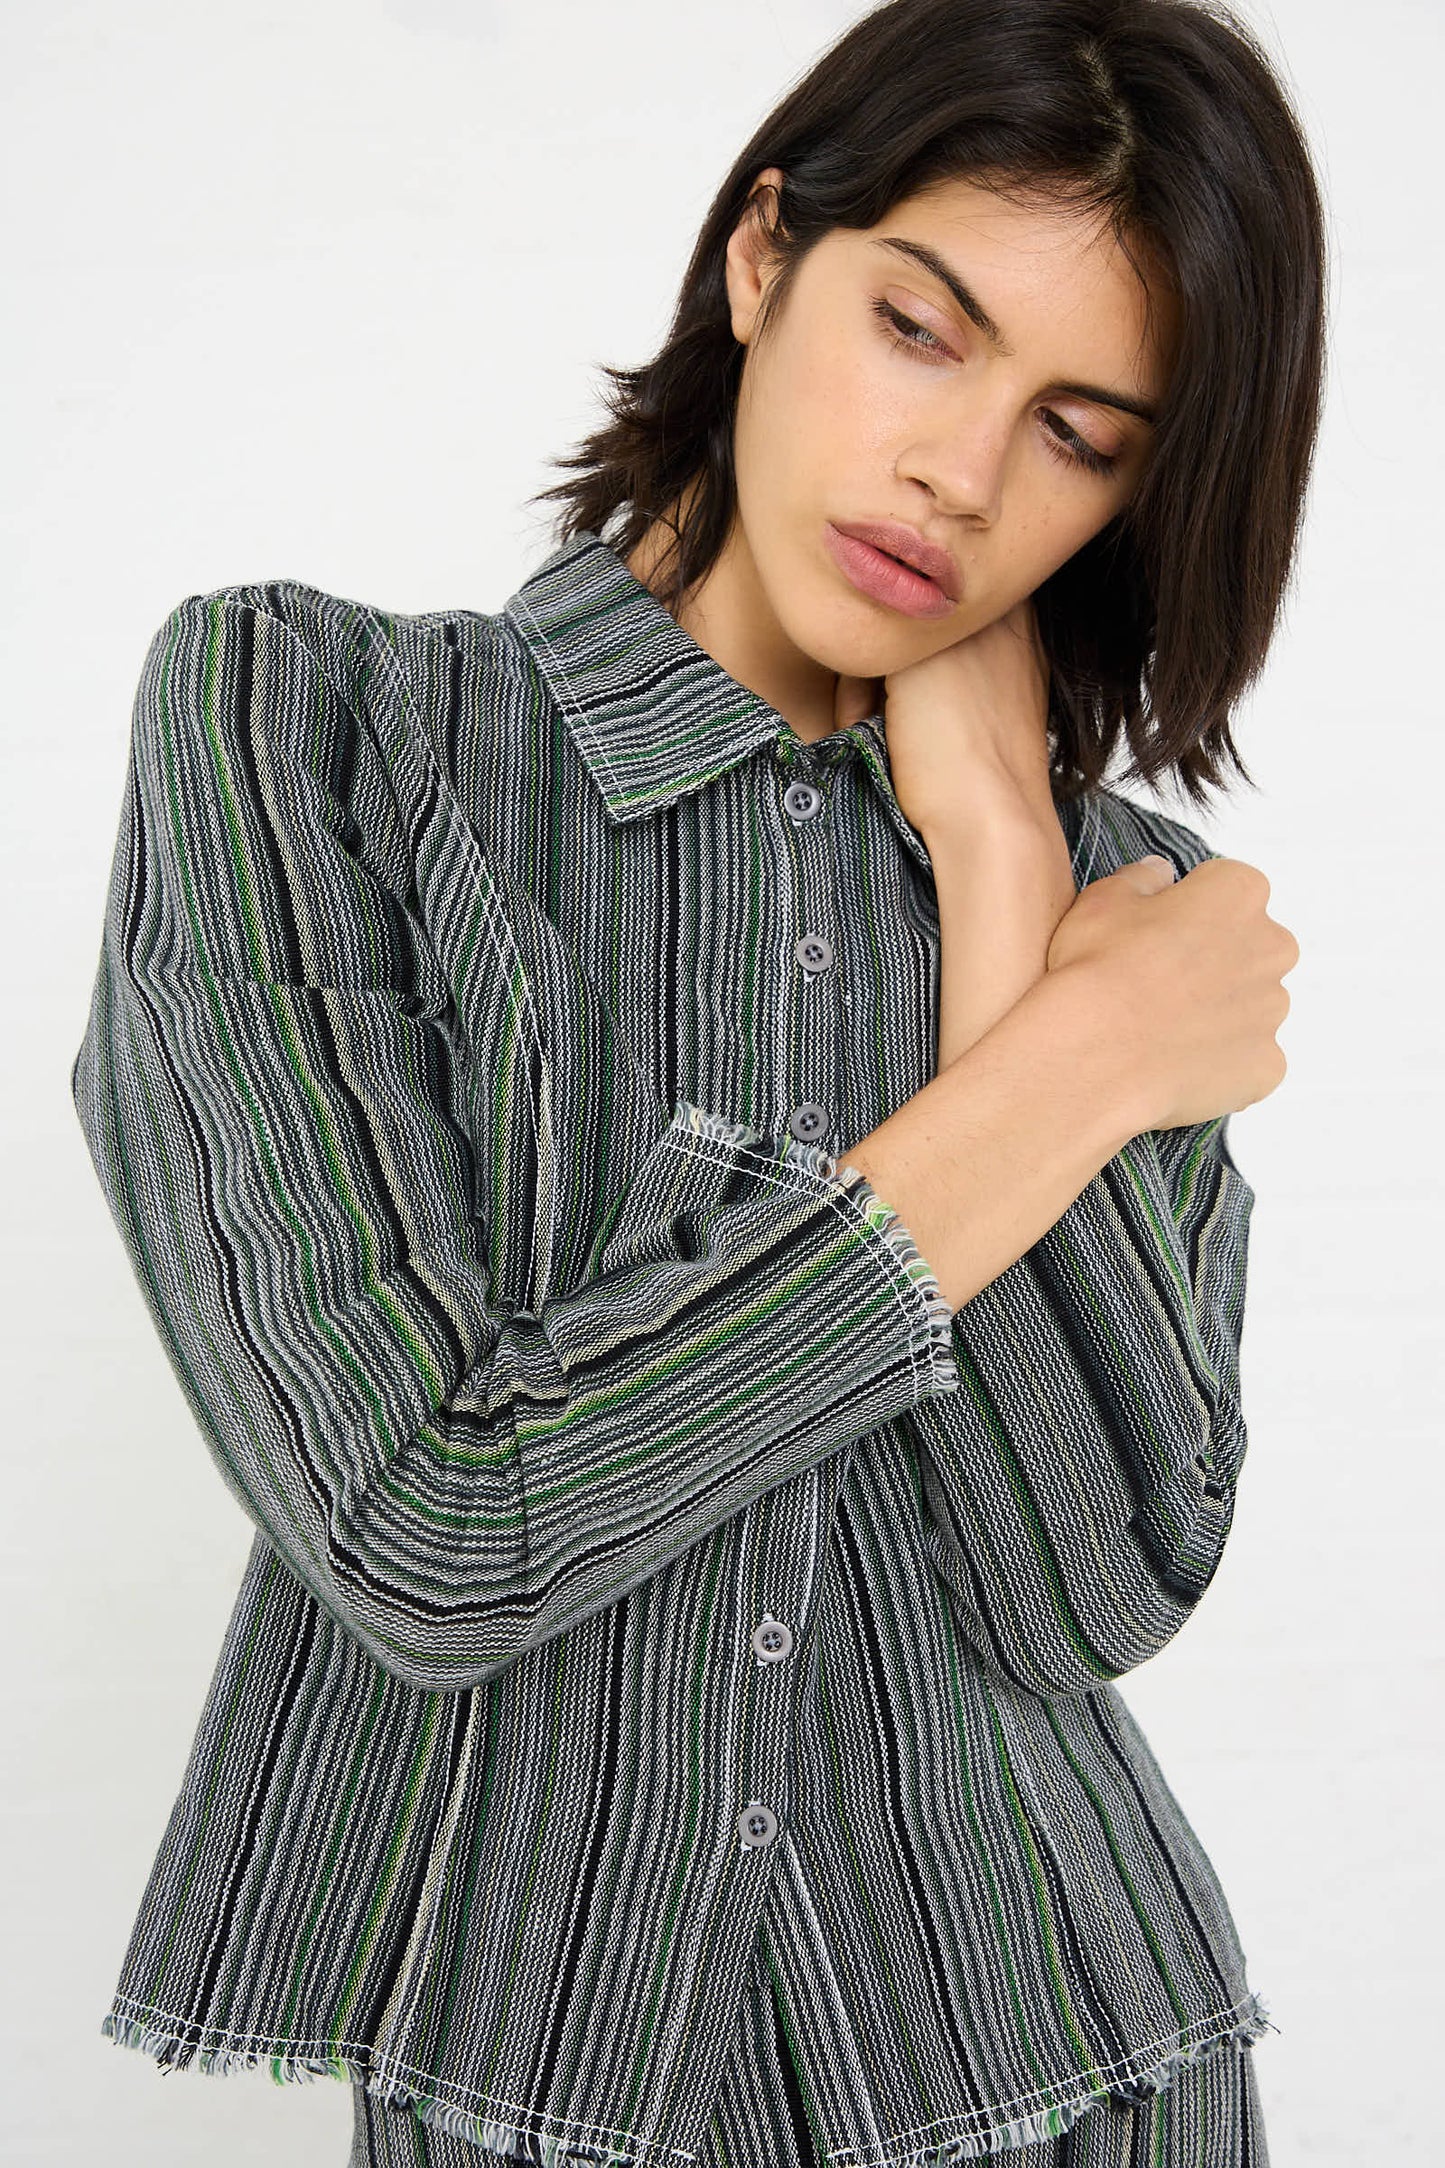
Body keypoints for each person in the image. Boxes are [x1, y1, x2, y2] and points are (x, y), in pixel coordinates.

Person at [70, 1, 1316, 2163]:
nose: (961, 472)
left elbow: (1092, 1590)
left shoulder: (1118, 897)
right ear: (762, 260)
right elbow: (432, 1514)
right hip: (541, 2091)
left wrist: (1006, 878)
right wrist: (1079, 1062)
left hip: (1076, 2081)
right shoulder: (311, 732)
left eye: (1081, 432)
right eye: (923, 327)